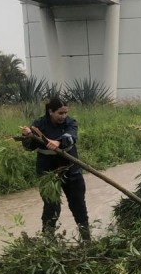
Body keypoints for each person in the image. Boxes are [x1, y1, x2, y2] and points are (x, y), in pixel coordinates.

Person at [20, 97, 91, 240]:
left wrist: (58, 142)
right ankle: (48, 241)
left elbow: (70, 137)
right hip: (48, 172)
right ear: (50, 111)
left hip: (71, 169)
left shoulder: (71, 123)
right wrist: (28, 136)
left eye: (65, 113)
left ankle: (86, 239)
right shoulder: (38, 125)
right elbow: (29, 147)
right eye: (60, 113)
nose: (63, 116)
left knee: (78, 204)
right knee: (51, 206)